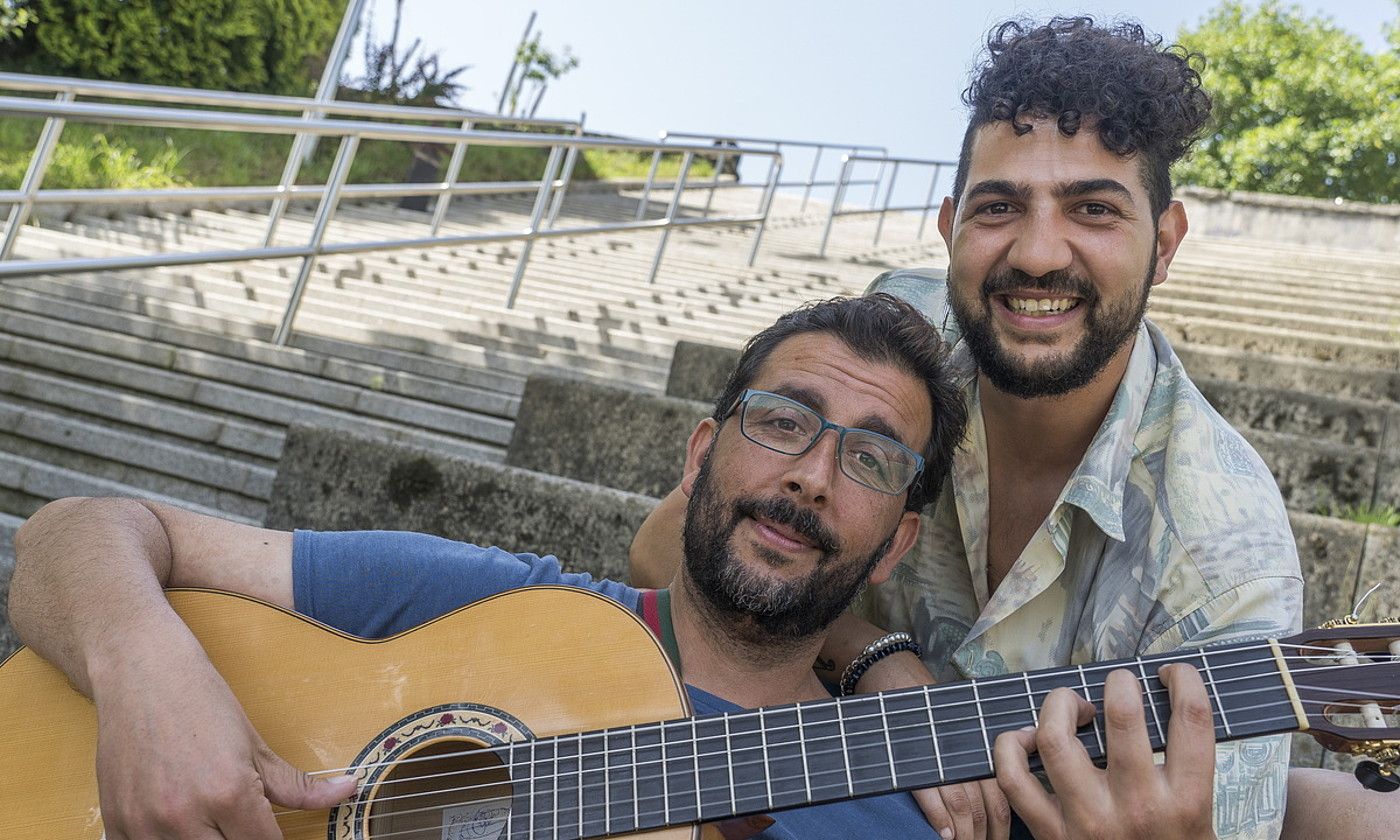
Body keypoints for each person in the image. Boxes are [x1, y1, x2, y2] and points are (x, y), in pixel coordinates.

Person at [9, 293, 1227, 840]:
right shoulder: (499, 607)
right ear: (699, 455)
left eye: (867, 460)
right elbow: (81, 532)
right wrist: (147, 673)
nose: (809, 476)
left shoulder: (933, 799)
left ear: (898, 539)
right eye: (781, 422)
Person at [630, 16, 1306, 840]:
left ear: (1163, 245)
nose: (1036, 253)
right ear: (950, 227)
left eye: (1093, 209)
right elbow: (664, 550)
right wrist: (874, 660)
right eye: (999, 207)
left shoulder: (1228, 552)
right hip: (812, 771)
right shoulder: (897, 336)